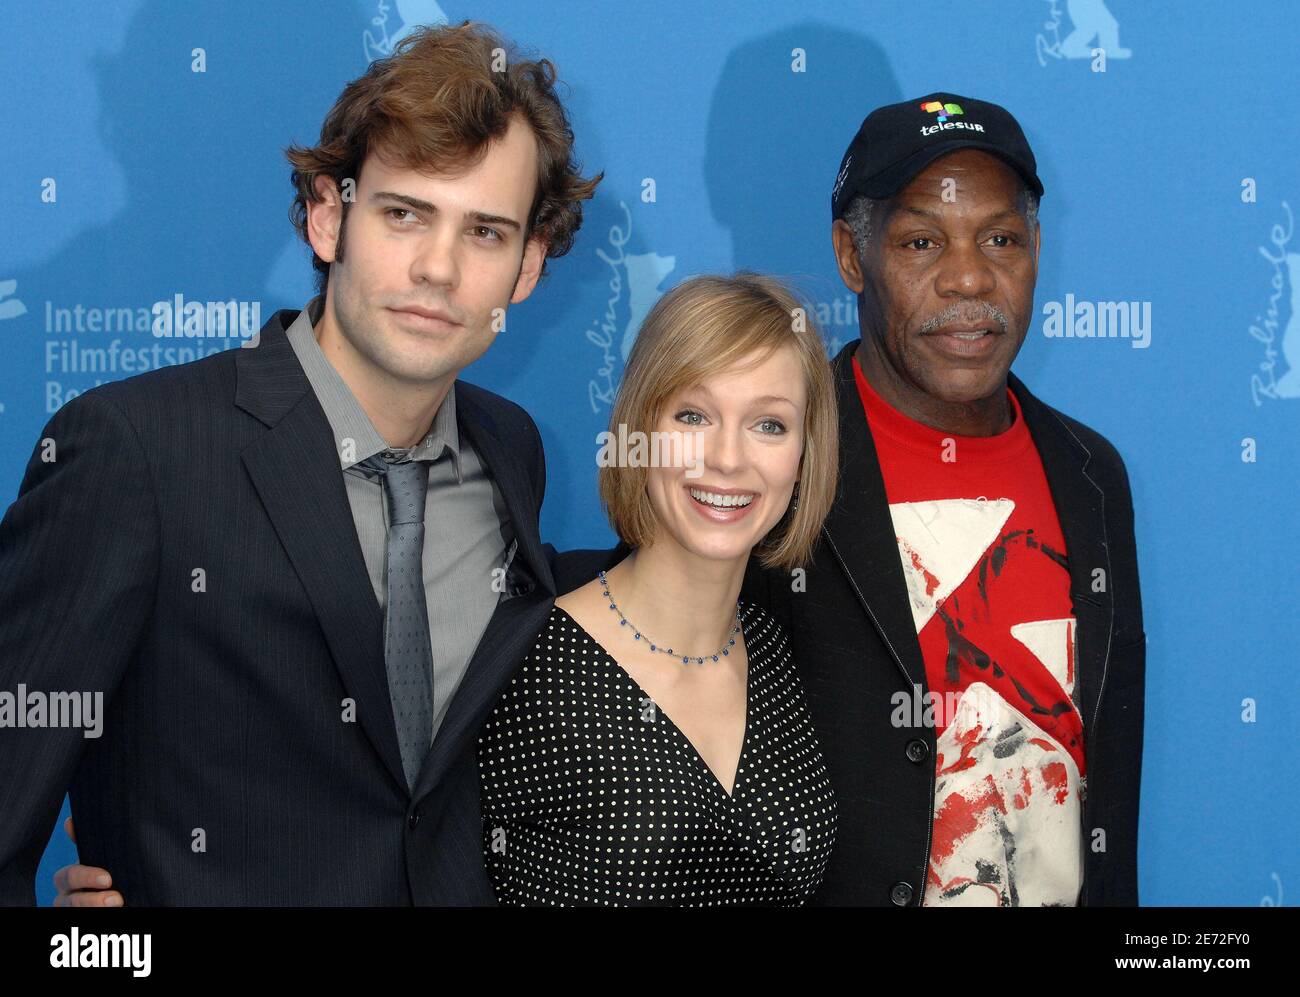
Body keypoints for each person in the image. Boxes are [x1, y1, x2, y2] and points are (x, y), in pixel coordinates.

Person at [1, 21, 601, 906]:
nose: (437, 268)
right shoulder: (137, 450)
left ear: (527, 267)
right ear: (329, 216)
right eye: (404, 214)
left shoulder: (510, 450)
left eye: (484, 231)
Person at [741, 93, 1146, 906]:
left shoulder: (1094, 474)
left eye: (1001, 238)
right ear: (852, 259)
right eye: (922, 241)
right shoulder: (771, 457)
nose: (968, 276)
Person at [479, 273, 840, 905]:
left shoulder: (775, 655)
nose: (728, 458)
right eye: (694, 416)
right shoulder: (527, 665)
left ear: (805, 456)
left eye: (770, 425)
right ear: (640, 430)